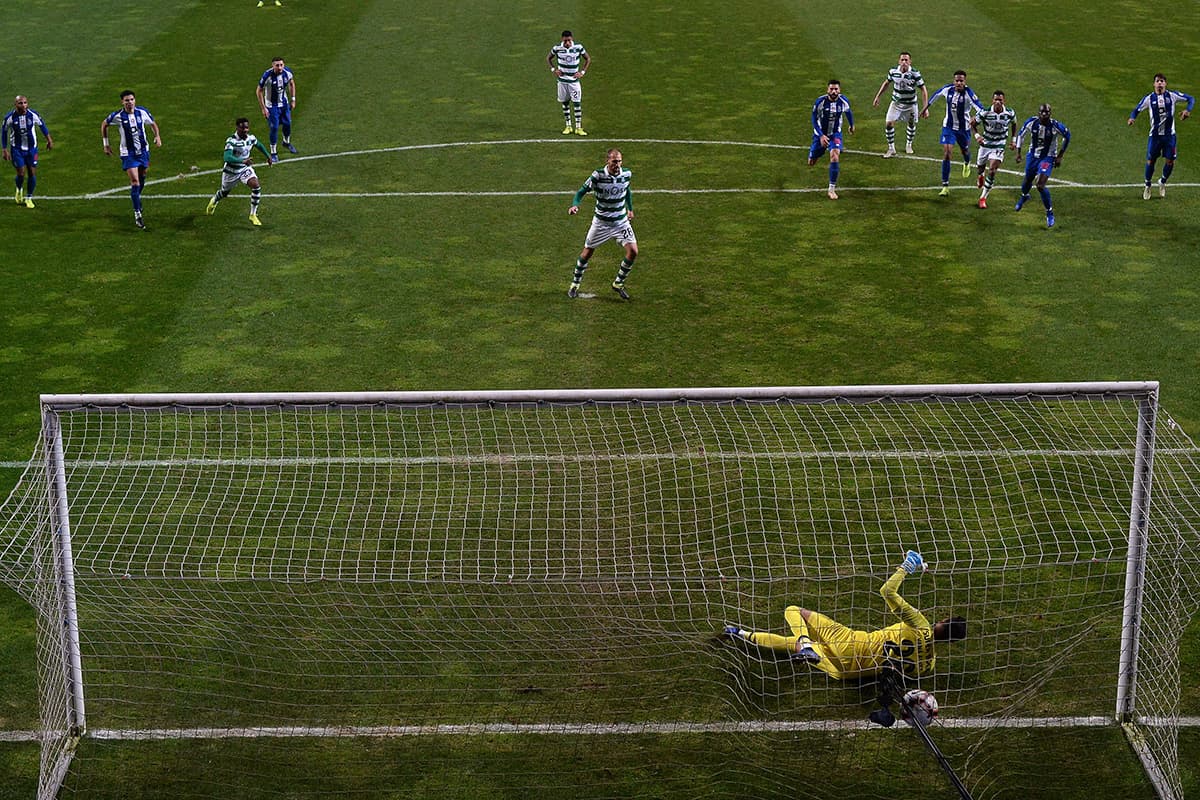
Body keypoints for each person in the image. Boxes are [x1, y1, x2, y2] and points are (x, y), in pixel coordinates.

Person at [726, 550, 966, 723]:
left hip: (850, 644)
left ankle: (804, 642)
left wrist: (907, 566)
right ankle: (742, 633)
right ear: (951, 643)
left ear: (942, 622)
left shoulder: (921, 625)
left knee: (794, 612)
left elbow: (887, 591)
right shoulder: (926, 667)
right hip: (847, 673)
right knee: (793, 646)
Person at [567, 148, 636, 300]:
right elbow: (581, 192)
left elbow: (627, 191)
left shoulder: (627, 174)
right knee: (587, 253)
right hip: (601, 223)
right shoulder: (597, 176)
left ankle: (618, 283)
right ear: (607, 161)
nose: (617, 164)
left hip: (621, 223)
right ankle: (575, 284)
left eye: (619, 161)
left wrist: (630, 209)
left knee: (633, 251)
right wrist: (575, 205)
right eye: (614, 161)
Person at [101, 90, 161, 230]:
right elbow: (104, 124)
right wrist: (106, 144)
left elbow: (153, 123)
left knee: (143, 177)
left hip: (143, 152)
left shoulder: (142, 112)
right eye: (127, 100)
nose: (130, 102)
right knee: (135, 181)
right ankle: (137, 214)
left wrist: (157, 136)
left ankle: (136, 200)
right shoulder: (118, 116)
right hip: (128, 153)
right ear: (122, 102)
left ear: (135, 100)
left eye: (132, 99)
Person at [1127, 73, 1194, 200]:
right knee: (1151, 161)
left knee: (1170, 161)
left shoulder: (1172, 96)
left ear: (1165, 84)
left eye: (1162, 81)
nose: (1159, 83)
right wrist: (1132, 118)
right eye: (1157, 81)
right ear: (1154, 84)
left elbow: (1191, 98)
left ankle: (1162, 182)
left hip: (1170, 136)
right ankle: (1147, 185)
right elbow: (1136, 109)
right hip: (1155, 137)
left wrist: (1188, 110)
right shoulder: (1149, 98)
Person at [922, 71, 984, 196]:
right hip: (948, 127)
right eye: (957, 80)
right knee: (947, 152)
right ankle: (945, 186)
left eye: (961, 81)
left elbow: (981, 109)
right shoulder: (947, 89)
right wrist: (925, 108)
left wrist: (975, 118)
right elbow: (936, 95)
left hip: (963, 129)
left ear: (965, 82)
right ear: (954, 81)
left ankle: (967, 163)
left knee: (965, 151)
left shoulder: (969, 94)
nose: (959, 83)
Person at [206, 118, 272, 226]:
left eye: (246, 127)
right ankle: (214, 200)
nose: (245, 130)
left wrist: (268, 156)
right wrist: (242, 160)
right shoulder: (231, 141)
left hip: (244, 169)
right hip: (231, 171)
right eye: (242, 128)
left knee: (256, 186)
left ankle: (253, 214)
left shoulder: (251, 138)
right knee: (224, 192)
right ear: (237, 128)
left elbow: (258, 144)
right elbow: (227, 157)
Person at [1014, 103, 1070, 228]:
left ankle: (1049, 212)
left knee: (1040, 185)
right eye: (1042, 112)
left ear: (1050, 114)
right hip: (1032, 156)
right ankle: (1024, 196)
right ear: (1038, 113)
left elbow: (1067, 135)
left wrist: (1060, 155)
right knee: (1027, 180)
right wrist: (1018, 153)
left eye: (1047, 112)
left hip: (1048, 157)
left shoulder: (1055, 126)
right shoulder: (1031, 122)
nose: (1044, 114)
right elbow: (1020, 135)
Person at [872, 52, 927, 157]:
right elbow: (886, 83)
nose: (904, 62)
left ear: (910, 62)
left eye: (906, 60)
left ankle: (909, 145)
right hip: (896, 103)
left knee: (911, 124)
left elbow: (923, 89)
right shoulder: (893, 72)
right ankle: (891, 148)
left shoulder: (915, 74)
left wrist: (925, 108)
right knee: (888, 124)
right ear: (899, 61)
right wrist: (878, 96)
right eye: (902, 60)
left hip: (911, 105)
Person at [2, 95, 53, 209]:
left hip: (31, 149)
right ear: (15, 104)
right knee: (21, 173)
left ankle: (29, 198)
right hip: (17, 149)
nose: (23, 105)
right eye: (20, 103)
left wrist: (49, 139)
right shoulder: (9, 118)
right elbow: (4, 132)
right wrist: (4, 149)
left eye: (25, 103)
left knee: (31, 173)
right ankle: (19, 189)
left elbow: (42, 125)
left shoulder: (33, 114)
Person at [809, 79, 855, 200]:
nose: (834, 91)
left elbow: (848, 112)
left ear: (839, 90)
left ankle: (831, 189)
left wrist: (851, 125)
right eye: (831, 89)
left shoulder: (843, 101)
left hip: (835, 134)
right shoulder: (820, 102)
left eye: (836, 89)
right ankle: (819, 152)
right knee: (811, 162)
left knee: (835, 155)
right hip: (820, 135)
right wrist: (821, 135)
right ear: (827, 90)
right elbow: (814, 119)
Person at [971, 90, 1017, 209]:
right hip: (985, 144)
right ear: (992, 100)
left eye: (1000, 100)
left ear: (1003, 101)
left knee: (992, 170)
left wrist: (1013, 140)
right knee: (980, 167)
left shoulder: (1009, 113)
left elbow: (1014, 124)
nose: (997, 102)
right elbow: (973, 124)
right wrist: (977, 136)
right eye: (996, 99)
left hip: (999, 144)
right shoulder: (985, 112)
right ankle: (980, 175)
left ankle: (983, 198)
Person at [548, 30, 591, 136]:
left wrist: (582, 72)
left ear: (572, 39)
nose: (567, 42)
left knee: (577, 103)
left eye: (569, 40)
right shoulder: (557, 49)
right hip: (562, 82)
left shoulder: (578, 48)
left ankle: (578, 127)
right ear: (562, 39)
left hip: (574, 82)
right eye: (565, 40)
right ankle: (568, 126)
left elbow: (588, 58)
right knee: (565, 103)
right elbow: (548, 58)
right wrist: (553, 69)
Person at [257, 57, 298, 162]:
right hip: (272, 106)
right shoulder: (267, 76)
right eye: (277, 65)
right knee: (274, 128)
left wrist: (293, 99)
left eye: (281, 65)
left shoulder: (287, 73)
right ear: (273, 66)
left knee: (288, 123)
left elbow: (292, 83)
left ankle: (286, 142)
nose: (279, 67)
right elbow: (259, 91)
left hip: (284, 104)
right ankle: (273, 152)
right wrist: (263, 108)